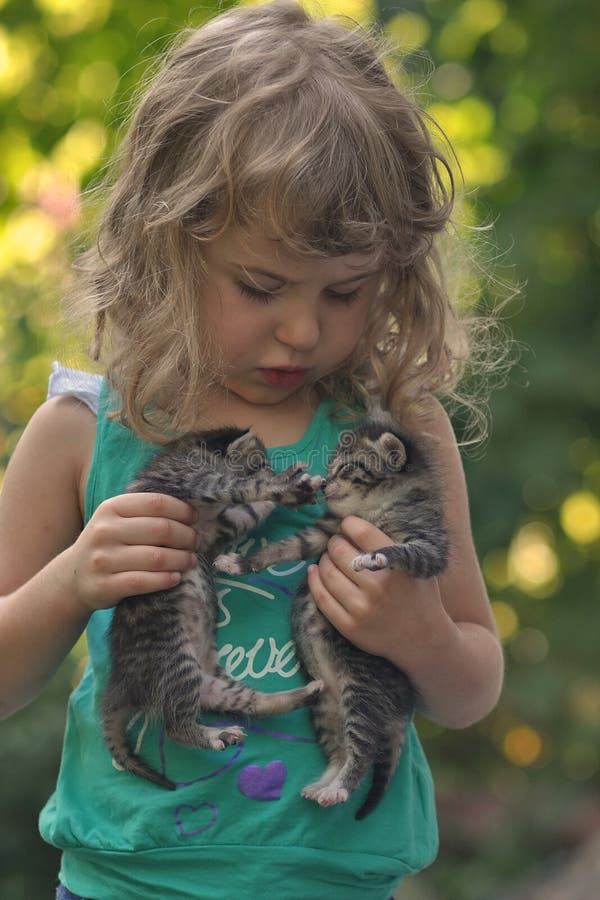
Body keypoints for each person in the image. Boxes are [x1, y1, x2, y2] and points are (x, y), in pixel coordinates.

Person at [0, 2, 504, 898]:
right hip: (125, 883)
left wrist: (418, 634)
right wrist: (73, 579)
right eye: (261, 285)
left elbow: (471, 687)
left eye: (346, 293)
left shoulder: (394, 434)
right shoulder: (86, 430)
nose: (302, 330)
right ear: (167, 242)